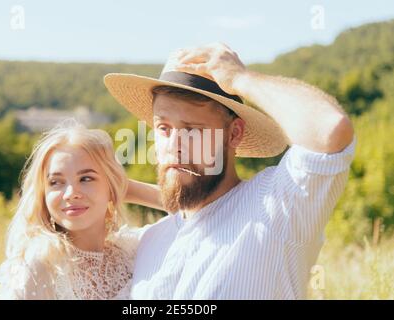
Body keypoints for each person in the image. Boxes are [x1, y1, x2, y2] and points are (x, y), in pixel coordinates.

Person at [103, 43, 356, 299]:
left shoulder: (275, 208)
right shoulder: (147, 242)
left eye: (193, 130)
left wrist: (240, 78)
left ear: (234, 133)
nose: (174, 146)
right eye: (164, 128)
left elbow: (329, 129)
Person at [0, 121, 161, 299]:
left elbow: (187, 209)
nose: (70, 194)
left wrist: (123, 188)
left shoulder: (132, 251)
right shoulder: (41, 265)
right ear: (43, 194)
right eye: (55, 182)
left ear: (111, 184)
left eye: (86, 178)